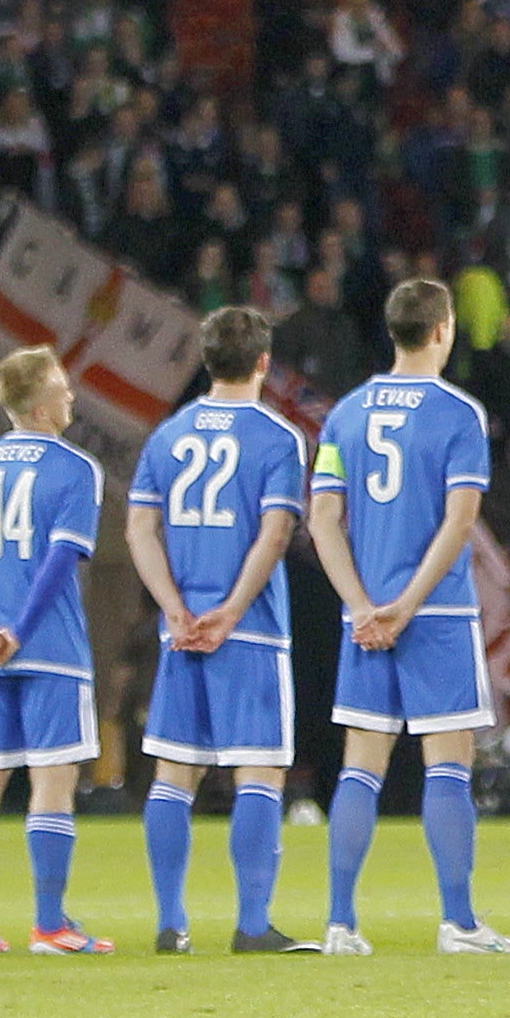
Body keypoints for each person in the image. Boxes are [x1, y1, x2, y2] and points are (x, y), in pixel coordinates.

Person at [307, 277, 510, 957]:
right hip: (437, 613)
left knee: (360, 767)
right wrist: (407, 605)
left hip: (366, 619)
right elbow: (461, 523)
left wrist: (360, 604)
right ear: (442, 330)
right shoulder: (459, 413)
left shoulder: (345, 414)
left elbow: (323, 519)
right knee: (448, 766)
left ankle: (341, 923)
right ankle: (459, 923)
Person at [123, 306, 315, 955]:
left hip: (181, 631)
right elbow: (275, 532)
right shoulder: (278, 436)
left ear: (207, 361)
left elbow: (140, 529)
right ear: (263, 361)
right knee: (259, 773)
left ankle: (171, 923)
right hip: (249, 630)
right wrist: (231, 611)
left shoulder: (168, 434)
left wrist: (173, 608)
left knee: (174, 774)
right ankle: (253, 923)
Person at [0, 346, 112, 955]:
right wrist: (20, 629)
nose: (71, 396)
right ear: (40, 406)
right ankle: (50, 924)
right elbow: (60, 560)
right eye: (62, 387)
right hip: (51, 649)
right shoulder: (76, 469)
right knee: (53, 782)